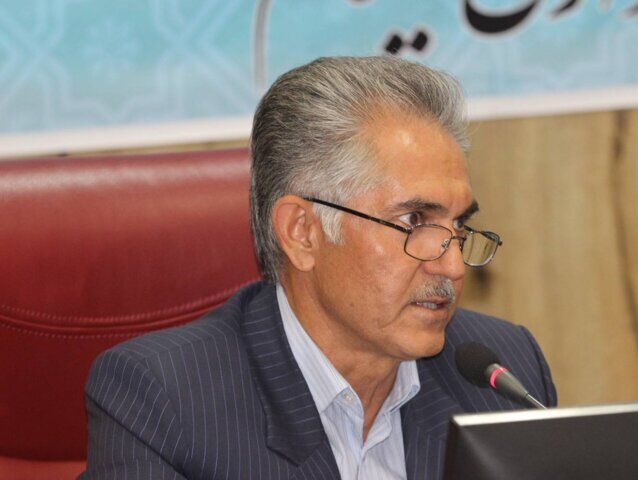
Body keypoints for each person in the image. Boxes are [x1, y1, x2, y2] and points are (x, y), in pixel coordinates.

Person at [81, 56, 556, 480]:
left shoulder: (504, 375)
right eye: (415, 221)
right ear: (302, 233)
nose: (452, 265)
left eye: (458, 226)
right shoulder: (163, 398)